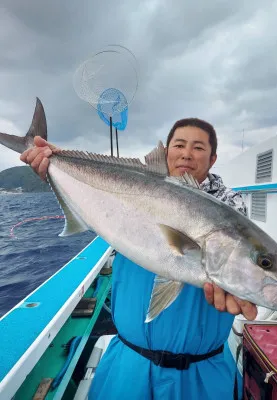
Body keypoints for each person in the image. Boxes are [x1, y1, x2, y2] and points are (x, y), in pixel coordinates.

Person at [20, 118, 257, 399]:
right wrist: (56, 162)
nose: (186, 154)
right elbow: (98, 193)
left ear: (213, 158)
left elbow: (239, 257)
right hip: (129, 364)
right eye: (179, 145)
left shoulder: (231, 206)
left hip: (201, 371)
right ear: (166, 151)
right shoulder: (134, 187)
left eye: (198, 147)